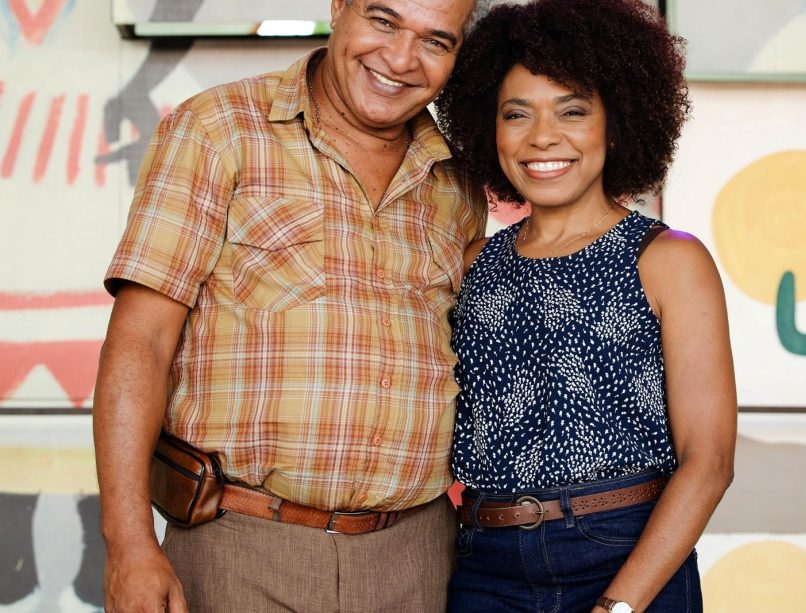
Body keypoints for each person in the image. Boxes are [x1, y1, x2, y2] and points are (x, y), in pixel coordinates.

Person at [92, 0, 488, 611]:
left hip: (417, 557)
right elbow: (140, 342)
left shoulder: (457, 179)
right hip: (242, 546)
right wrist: (128, 543)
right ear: (339, 7)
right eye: (383, 21)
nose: (401, 58)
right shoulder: (218, 129)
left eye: (436, 41)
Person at [434, 0, 737, 611]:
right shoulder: (473, 264)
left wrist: (617, 607)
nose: (542, 136)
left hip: (625, 552)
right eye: (516, 114)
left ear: (616, 124)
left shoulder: (669, 259)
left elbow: (709, 462)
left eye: (572, 111)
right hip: (486, 565)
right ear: (490, 130)